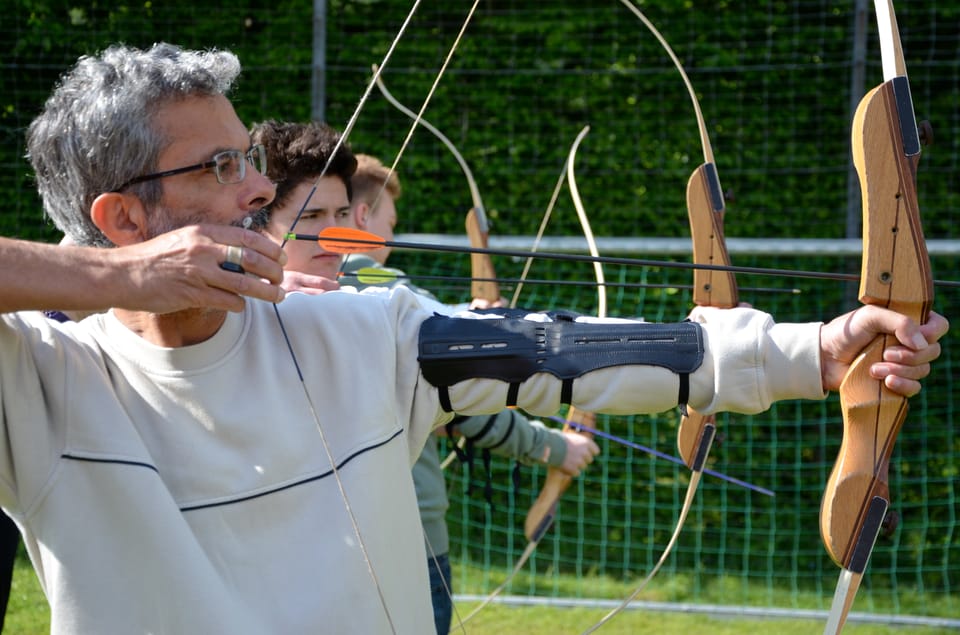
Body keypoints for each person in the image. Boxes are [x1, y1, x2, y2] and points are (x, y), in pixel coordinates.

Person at [2, 43, 945, 633]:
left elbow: (556, 350)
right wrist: (116, 283)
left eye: (250, 157)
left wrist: (817, 351)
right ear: (123, 219)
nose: (256, 187)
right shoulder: (42, 385)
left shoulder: (355, 332)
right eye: (220, 165)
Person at [249, 122, 601, 634]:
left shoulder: (362, 293)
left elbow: (454, 357)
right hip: (354, 543)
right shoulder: (358, 289)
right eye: (313, 217)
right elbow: (462, 385)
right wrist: (552, 448)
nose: (341, 232)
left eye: (340, 215)